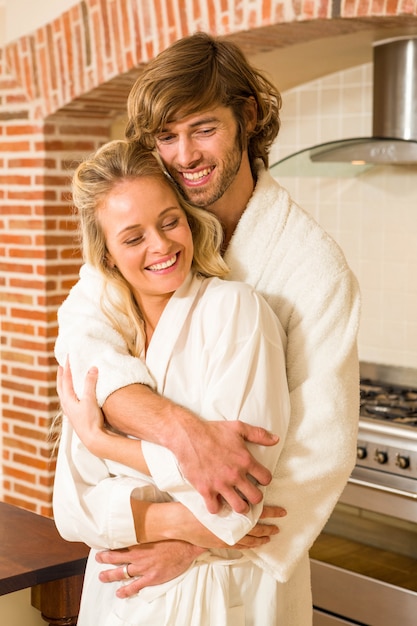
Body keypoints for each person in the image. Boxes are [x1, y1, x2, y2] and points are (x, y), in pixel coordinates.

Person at [54, 32, 361, 624]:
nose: (185, 155)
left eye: (202, 128)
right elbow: (85, 342)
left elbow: (319, 451)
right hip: (126, 578)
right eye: (166, 137)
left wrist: (196, 540)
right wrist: (183, 433)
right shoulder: (150, 230)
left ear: (247, 116)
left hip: (235, 581)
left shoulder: (310, 266)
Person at [53, 139, 291, 625]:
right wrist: (182, 523)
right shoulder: (103, 342)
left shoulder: (234, 312)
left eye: (169, 221)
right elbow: (73, 512)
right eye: (133, 237)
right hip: (117, 596)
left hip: (217, 598)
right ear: (108, 255)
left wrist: (104, 443)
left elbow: (238, 505)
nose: (161, 246)